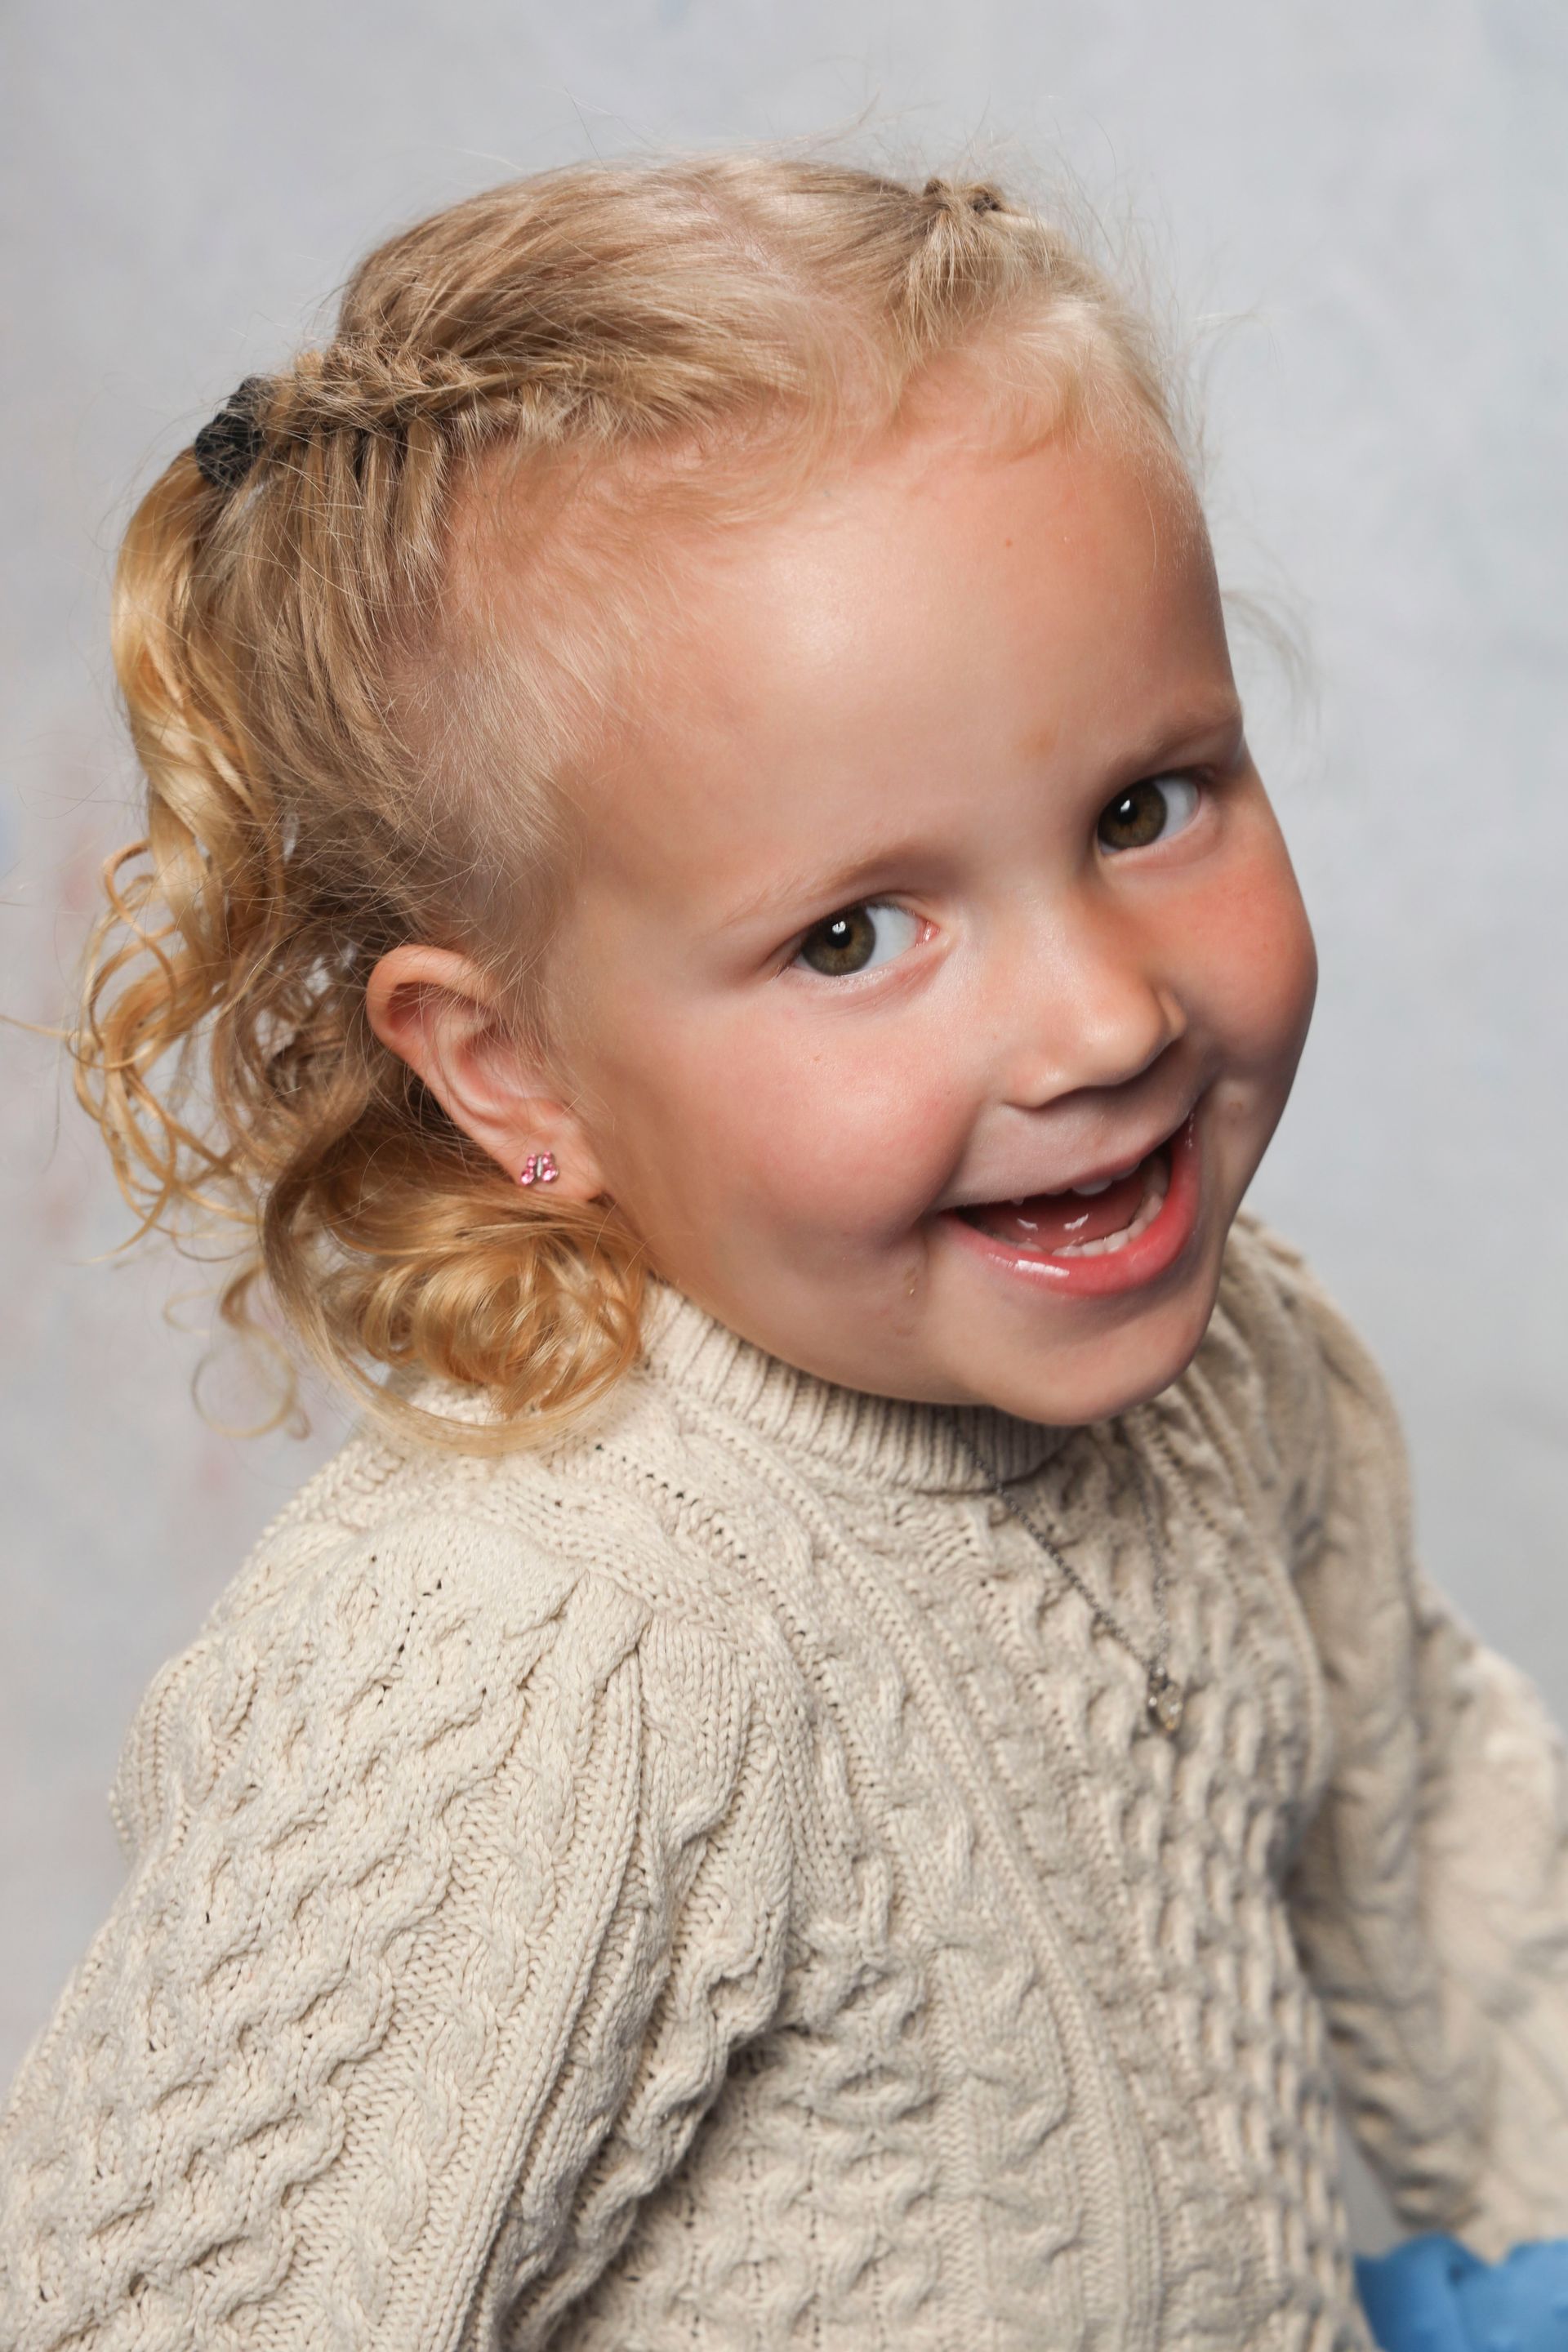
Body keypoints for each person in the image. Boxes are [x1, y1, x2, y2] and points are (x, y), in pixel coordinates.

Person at [1, 152, 1563, 2352]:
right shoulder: (547, 1659)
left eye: (1144, 807)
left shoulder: (1247, 1372)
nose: (1104, 1022)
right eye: (850, 935)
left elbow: (1459, 1890)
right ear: (515, 1066)